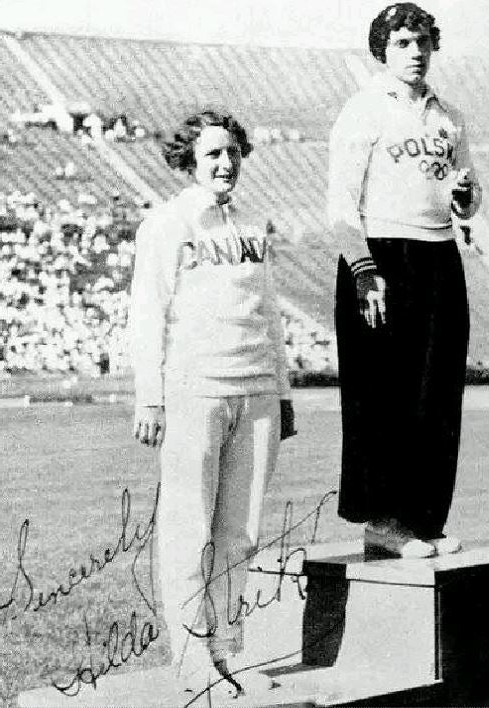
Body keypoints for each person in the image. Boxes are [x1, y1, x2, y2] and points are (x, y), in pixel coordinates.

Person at [128, 110, 294, 696]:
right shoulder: (168, 224)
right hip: (194, 392)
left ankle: (231, 651)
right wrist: (150, 398)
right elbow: (147, 314)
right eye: (212, 155)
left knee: (241, 532)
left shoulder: (253, 224)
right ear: (188, 162)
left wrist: (283, 390)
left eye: (232, 153)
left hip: (255, 393)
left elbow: (270, 314)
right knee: (187, 528)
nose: (225, 164)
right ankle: (192, 659)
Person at [327, 2, 481, 559]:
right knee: (383, 395)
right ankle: (383, 522)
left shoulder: (450, 116)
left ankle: (424, 518)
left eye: (422, 42)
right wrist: (365, 272)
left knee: (436, 394)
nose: (415, 53)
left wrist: (464, 199)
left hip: (439, 253)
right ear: (382, 51)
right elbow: (341, 205)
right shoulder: (362, 111)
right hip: (380, 258)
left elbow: (469, 199)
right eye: (401, 43)